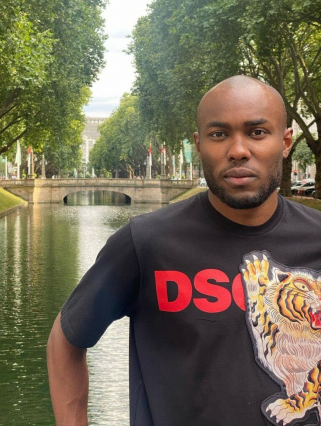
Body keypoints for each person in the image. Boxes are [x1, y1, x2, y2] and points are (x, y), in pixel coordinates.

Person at [47, 75, 321, 426]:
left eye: (257, 132)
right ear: (199, 144)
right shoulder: (146, 242)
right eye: (219, 134)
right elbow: (66, 339)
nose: (238, 150)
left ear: (285, 142)